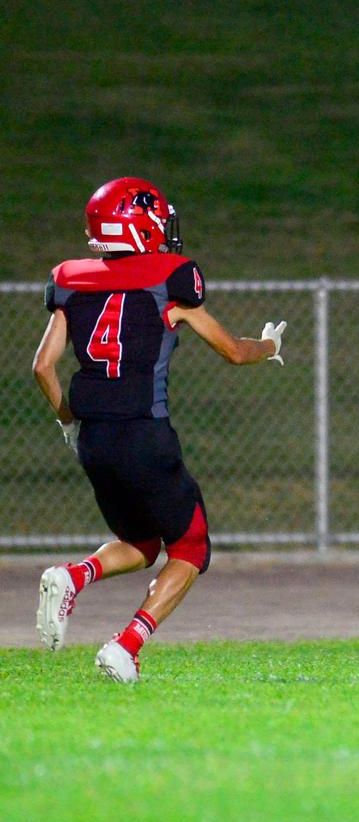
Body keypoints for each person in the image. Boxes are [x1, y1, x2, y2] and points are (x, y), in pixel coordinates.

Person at [33, 177, 287, 682]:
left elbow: (42, 366)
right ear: (139, 223)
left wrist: (68, 422)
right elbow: (234, 352)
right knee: (191, 547)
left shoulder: (70, 280)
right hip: (143, 433)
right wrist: (269, 346)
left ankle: (73, 575)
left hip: (93, 439)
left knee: (144, 542)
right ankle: (126, 646)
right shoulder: (168, 279)